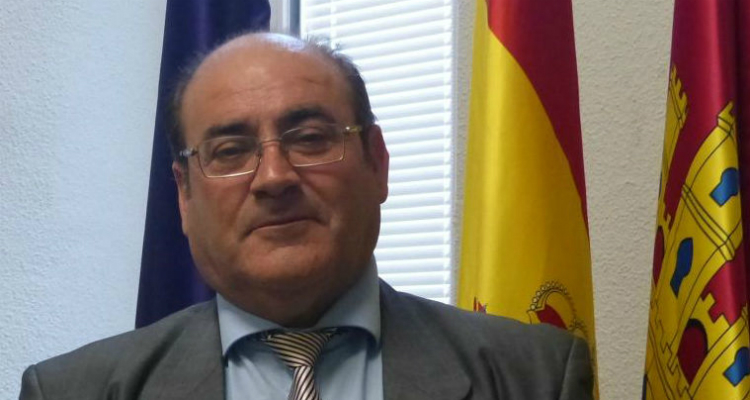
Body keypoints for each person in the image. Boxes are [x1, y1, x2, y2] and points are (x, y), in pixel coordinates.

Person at [19, 32, 593, 400]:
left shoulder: (534, 377)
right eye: (230, 151)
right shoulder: (72, 391)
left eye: (311, 138)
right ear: (184, 196)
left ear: (378, 163)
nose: (274, 177)